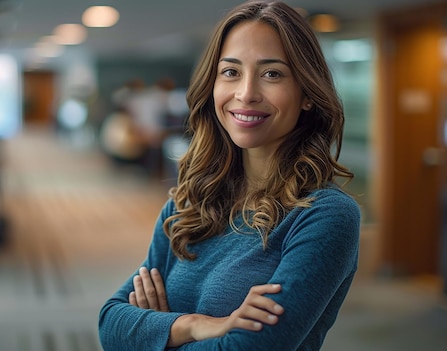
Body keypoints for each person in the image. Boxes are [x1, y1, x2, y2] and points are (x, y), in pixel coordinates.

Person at [98, 1, 360, 350]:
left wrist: (154, 334)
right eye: (231, 72)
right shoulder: (190, 202)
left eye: (272, 74)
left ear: (307, 94)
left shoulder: (323, 215)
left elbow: (246, 348)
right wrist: (195, 326)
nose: (247, 93)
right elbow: (110, 324)